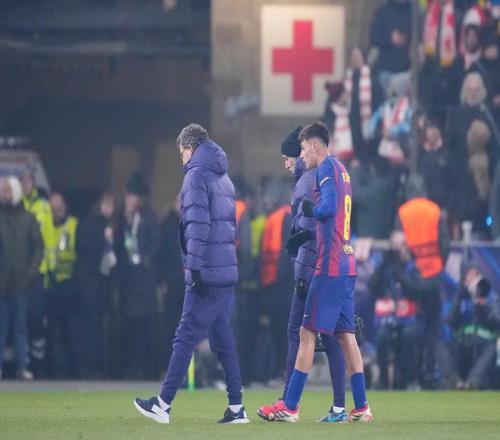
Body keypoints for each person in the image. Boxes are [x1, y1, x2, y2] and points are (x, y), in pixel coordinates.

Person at [134, 123, 248, 424]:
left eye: (181, 152)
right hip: (225, 272)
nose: (181, 158)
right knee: (223, 340)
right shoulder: (224, 178)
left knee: (185, 336)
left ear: (190, 147)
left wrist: (194, 269)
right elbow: (230, 229)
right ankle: (237, 407)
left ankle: (163, 404)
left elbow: (197, 228)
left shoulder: (196, 176)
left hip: (206, 272)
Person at [262, 122, 372, 423]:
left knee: (306, 333)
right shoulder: (343, 170)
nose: (301, 155)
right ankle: (361, 407)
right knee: (346, 336)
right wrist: (310, 232)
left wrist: (312, 210)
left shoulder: (324, 168)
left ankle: (290, 407)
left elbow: (329, 208)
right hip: (347, 262)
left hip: (330, 266)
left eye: (302, 149)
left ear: (313, 146)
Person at [116, 173, 159, 379]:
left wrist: (146, 260)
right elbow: (118, 246)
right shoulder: (121, 219)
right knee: (127, 326)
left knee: (143, 326)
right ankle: (129, 367)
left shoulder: (149, 218)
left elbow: (156, 243)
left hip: (143, 281)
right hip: (128, 281)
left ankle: (143, 368)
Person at [0, 177, 43, 380]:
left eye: (7, 191)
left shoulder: (28, 219)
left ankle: (22, 366)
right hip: (2, 283)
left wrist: (30, 273)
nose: (4, 195)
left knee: (20, 327)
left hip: (21, 283)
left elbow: (38, 247)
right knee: (2, 327)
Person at [75, 192, 115, 378]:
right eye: (106, 204)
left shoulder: (105, 225)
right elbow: (87, 250)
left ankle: (96, 366)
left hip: (98, 286)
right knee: (91, 327)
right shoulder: (92, 225)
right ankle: (91, 367)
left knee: (97, 327)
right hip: (91, 284)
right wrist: (104, 239)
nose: (109, 208)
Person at [20, 170, 53, 377]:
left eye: (28, 181)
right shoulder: (17, 206)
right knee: (21, 320)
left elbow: (49, 238)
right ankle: (25, 364)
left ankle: (38, 363)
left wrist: (49, 269)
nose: (25, 185)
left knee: (37, 318)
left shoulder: (43, 206)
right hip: (20, 274)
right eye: (23, 182)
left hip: (39, 272)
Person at [449, 264, 500, 389]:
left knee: (491, 349)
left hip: (484, 343)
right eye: (469, 276)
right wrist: (459, 298)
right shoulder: (460, 298)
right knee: (441, 346)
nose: (472, 280)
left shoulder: (491, 297)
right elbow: (451, 321)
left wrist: (481, 304)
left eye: (475, 275)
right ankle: (455, 381)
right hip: (463, 342)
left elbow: (497, 322)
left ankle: (474, 381)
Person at [45, 192, 80, 378]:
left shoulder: (73, 225)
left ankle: (73, 371)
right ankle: (58, 371)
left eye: (58, 206)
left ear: (64, 206)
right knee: (54, 332)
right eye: (53, 207)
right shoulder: (47, 225)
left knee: (70, 332)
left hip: (70, 284)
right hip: (52, 284)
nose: (56, 210)